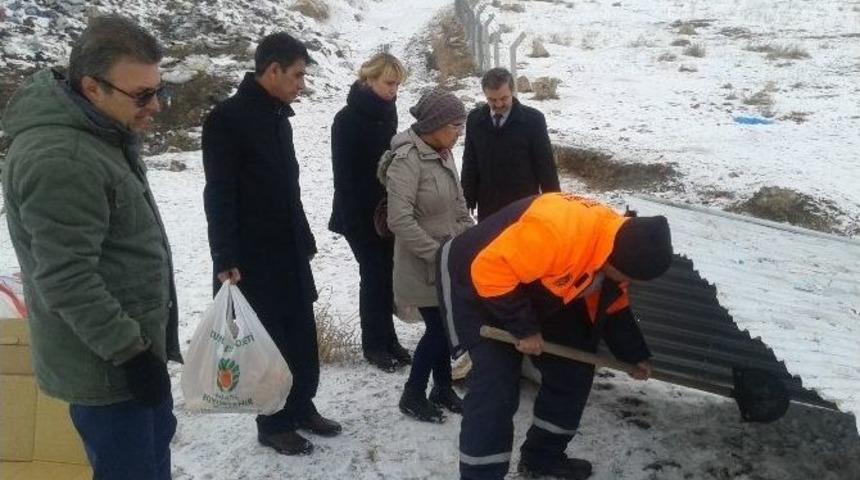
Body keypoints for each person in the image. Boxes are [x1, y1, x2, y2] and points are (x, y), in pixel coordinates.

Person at [2, 15, 179, 479]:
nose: (156, 106)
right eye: (142, 95)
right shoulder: (63, 158)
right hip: (109, 369)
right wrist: (132, 355)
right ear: (92, 87)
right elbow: (66, 278)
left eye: (159, 90)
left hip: (130, 355)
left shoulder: (99, 134)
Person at [437, 193, 673, 479]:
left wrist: (635, 355)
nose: (629, 283)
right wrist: (525, 328)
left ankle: (541, 459)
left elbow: (611, 305)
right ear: (613, 260)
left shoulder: (617, 241)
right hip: (476, 278)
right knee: (496, 387)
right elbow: (489, 270)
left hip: (534, 282)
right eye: (629, 277)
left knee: (574, 371)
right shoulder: (559, 233)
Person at [202, 32, 340, 456]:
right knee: (269, 341)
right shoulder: (226, 118)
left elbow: (286, 189)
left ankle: (300, 406)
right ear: (273, 70)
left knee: (299, 333)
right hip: (251, 256)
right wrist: (225, 255)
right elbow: (219, 192)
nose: (302, 83)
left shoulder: (279, 116)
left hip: (288, 250)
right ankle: (273, 422)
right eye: (297, 74)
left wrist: (304, 237)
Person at [377, 88, 474, 423]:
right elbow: (398, 219)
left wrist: (471, 237)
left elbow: (459, 204)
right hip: (424, 264)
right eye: (455, 126)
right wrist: (438, 254)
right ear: (433, 124)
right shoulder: (407, 160)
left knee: (445, 328)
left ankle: (442, 389)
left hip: (449, 258)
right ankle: (413, 394)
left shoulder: (443, 152)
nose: (460, 133)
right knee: (441, 331)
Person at [328, 52, 411, 372]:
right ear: (369, 80)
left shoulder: (388, 111)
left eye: (398, 85)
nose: (394, 90)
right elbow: (343, 178)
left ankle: (389, 339)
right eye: (389, 83)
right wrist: (356, 223)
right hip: (358, 216)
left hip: (387, 212)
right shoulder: (346, 119)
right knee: (373, 276)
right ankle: (373, 344)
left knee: (388, 275)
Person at [461, 67, 560, 222]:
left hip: (523, 206)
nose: (499, 104)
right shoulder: (475, 120)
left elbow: (545, 166)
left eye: (504, 98)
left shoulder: (533, 120)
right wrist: (468, 199)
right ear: (485, 95)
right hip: (488, 206)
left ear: (513, 92)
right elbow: (470, 163)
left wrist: (553, 203)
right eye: (492, 100)